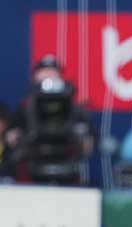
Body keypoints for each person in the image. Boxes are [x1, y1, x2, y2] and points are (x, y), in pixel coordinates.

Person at [4, 54, 94, 185]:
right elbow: (11, 137)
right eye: (44, 72)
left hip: (67, 167)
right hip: (32, 168)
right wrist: (16, 138)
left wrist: (83, 140)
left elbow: (89, 144)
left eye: (52, 72)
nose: (48, 77)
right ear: (35, 77)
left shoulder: (75, 109)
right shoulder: (25, 109)